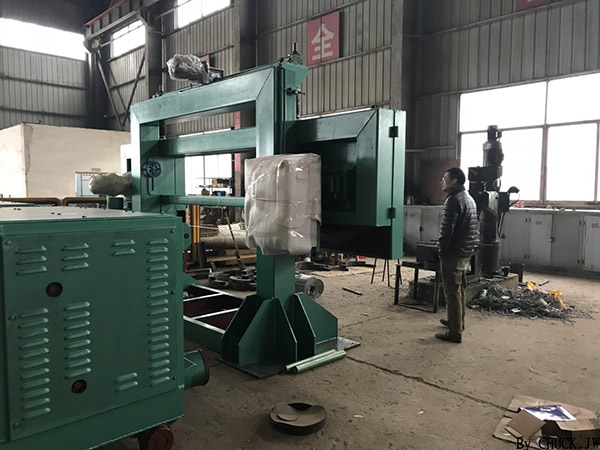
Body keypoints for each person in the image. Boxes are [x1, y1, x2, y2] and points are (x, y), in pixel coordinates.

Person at [436, 167, 478, 343]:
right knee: (460, 288)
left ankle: (455, 332)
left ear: (454, 181)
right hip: (466, 252)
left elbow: (447, 230)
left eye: (445, 178)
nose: (442, 181)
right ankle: (458, 322)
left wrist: (441, 251)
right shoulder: (468, 198)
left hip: (454, 253)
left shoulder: (453, 200)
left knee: (451, 291)